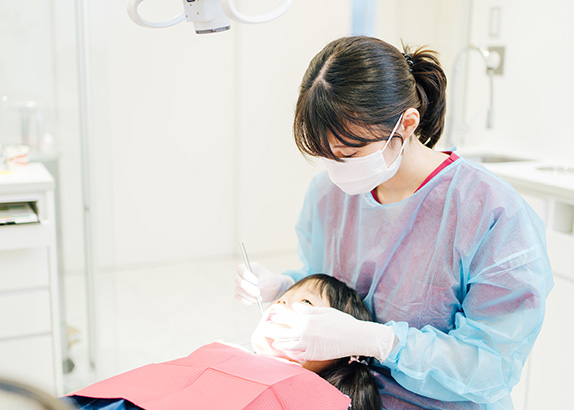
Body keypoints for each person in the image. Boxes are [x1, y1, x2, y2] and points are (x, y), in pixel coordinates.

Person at [234, 36, 553, 410]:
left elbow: (490, 366)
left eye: (349, 153)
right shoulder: (327, 194)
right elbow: (330, 281)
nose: (337, 170)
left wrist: (380, 341)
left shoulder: (491, 212)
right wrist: (284, 287)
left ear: (406, 125)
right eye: (327, 155)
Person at [63, 274, 382, 410]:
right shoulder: (226, 351)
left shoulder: (318, 397)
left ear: (340, 343)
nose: (282, 303)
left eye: (306, 303)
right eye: (284, 297)